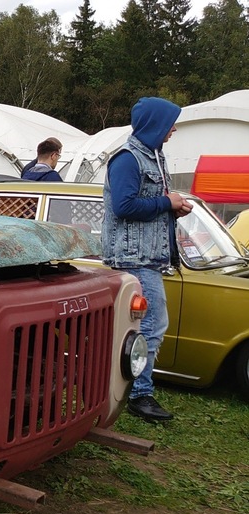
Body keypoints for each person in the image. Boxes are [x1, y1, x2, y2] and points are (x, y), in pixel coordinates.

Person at [102, 96, 190, 423]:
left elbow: (145, 204)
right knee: (151, 326)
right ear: (155, 124)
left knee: (142, 326)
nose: (173, 130)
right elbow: (123, 206)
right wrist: (167, 203)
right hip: (133, 257)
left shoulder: (153, 156)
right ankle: (140, 395)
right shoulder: (127, 159)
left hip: (148, 256)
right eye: (170, 124)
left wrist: (172, 209)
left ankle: (131, 388)